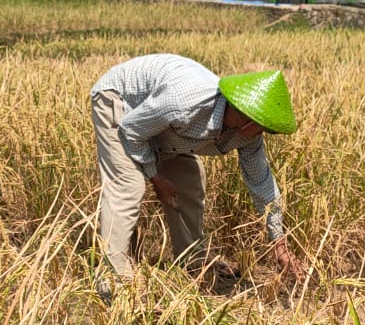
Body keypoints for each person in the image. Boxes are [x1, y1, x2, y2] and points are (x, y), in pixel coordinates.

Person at [90, 54, 304, 301]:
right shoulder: (184, 105)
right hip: (120, 101)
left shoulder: (248, 134)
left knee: (190, 180)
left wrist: (279, 244)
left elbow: (262, 184)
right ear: (242, 115)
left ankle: (192, 262)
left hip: (159, 121)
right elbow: (132, 130)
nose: (262, 134)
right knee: (128, 187)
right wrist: (156, 178)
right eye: (261, 127)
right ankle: (113, 283)